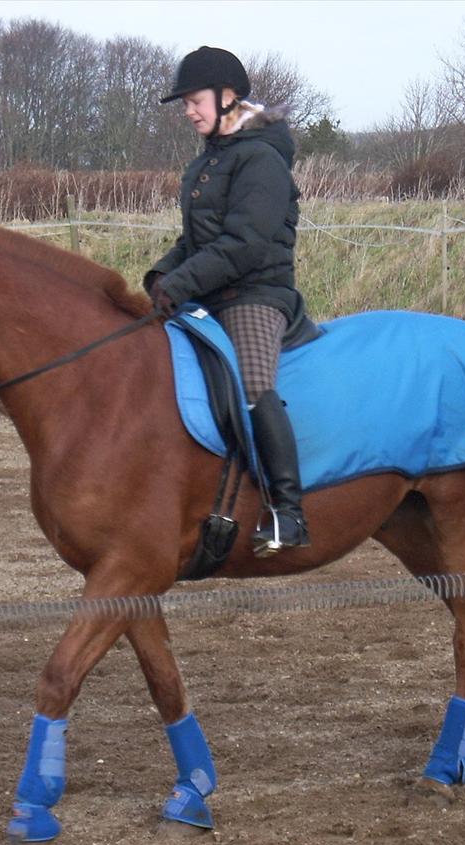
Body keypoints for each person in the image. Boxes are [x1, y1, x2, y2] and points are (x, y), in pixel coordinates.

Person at [146, 46, 312, 557]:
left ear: (227, 97)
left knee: (254, 383)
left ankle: (288, 511)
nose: (189, 112)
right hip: (212, 291)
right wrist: (160, 277)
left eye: (193, 101)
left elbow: (244, 245)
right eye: (185, 105)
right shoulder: (209, 159)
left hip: (256, 294)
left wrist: (182, 283)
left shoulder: (261, 159)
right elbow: (196, 242)